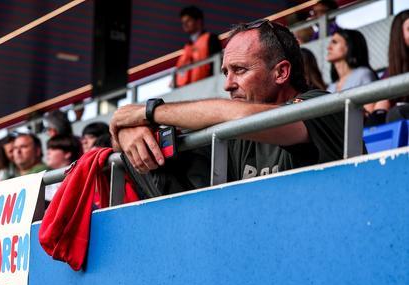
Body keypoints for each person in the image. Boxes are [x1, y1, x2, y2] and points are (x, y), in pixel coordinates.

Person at [110, 19, 345, 195]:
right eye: (225, 72)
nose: (227, 85)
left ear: (281, 72)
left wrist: (148, 112)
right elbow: (136, 149)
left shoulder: (323, 106)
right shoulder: (230, 133)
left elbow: (233, 114)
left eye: (240, 70)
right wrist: (132, 131)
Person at [373, 10, 409, 120]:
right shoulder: (392, 72)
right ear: (399, 36)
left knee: (396, 113)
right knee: (375, 119)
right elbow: (380, 108)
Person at [174, 6, 222, 88]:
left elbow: (217, 64)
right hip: (188, 90)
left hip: (209, 86)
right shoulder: (186, 47)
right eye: (183, 22)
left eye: (188, 21)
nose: (185, 24)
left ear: (198, 21)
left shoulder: (211, 38)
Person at [326, 29, 376, 100]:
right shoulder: (331, 87)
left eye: (334, 42)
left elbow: (370, 108)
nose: (328, 48)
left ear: (349, 46)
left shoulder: (363, 74)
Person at [44, 135, 82, 201]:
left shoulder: (81, 177)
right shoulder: (46, 181)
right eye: (48, 149)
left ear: (67, 153)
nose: (48, 152)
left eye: (53, 148)